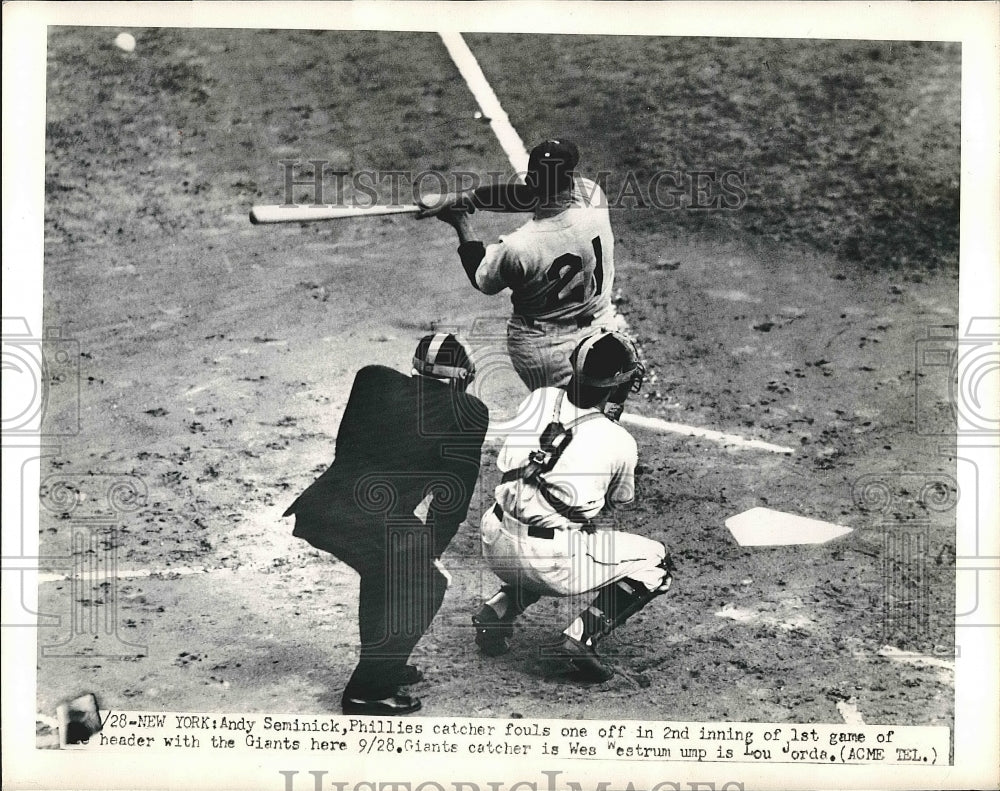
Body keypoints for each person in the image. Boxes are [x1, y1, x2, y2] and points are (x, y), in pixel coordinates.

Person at [283, 333, 489, 714]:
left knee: (383, 571)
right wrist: (429, 553)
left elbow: (345, 449)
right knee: (426, 582)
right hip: (373, 519)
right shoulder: (469, 413)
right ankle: (369, 690)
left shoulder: (373, 380)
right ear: (460, 379)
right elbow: (451, 502)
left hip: (322, 505)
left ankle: (385, 664)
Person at [472, 329, 673, 682]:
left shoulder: (537, 399)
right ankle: (580, 638)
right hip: (549, 561)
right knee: (657, 562)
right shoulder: (619, 441)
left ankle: (498, 610)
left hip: (494, 540)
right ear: (617, 384)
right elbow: (617, 503)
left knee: (550, 528)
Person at [417, 139, 625, 390]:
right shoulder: (593, 198)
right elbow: (529, 196)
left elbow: (481, 277)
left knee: (560, 409)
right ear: (570, 179)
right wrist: (464, 198)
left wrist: (460, 219)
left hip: (544, 348)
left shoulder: (519, 247)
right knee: (599, 404)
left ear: (531, 181)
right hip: (602, 332)